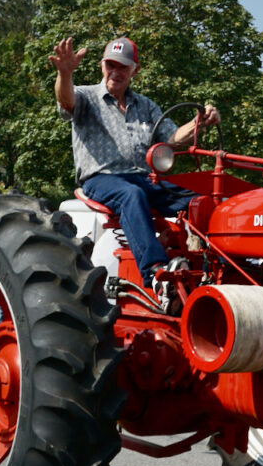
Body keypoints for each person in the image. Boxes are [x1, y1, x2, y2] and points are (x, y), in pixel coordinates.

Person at [49, 35, 220, 293]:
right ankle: (155, 272)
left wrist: (200, 123)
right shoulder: (86, 97)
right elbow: (66, 101)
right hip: (102, 179)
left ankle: (216, 270)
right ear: (102, 66)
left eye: (123, 67)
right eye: (111, 65)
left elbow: (172, 139)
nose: (116, 72)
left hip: (142, 179)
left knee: (201, 202)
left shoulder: (146, 105)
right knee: (132, 194)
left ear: (134, 71)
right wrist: (64, 73)